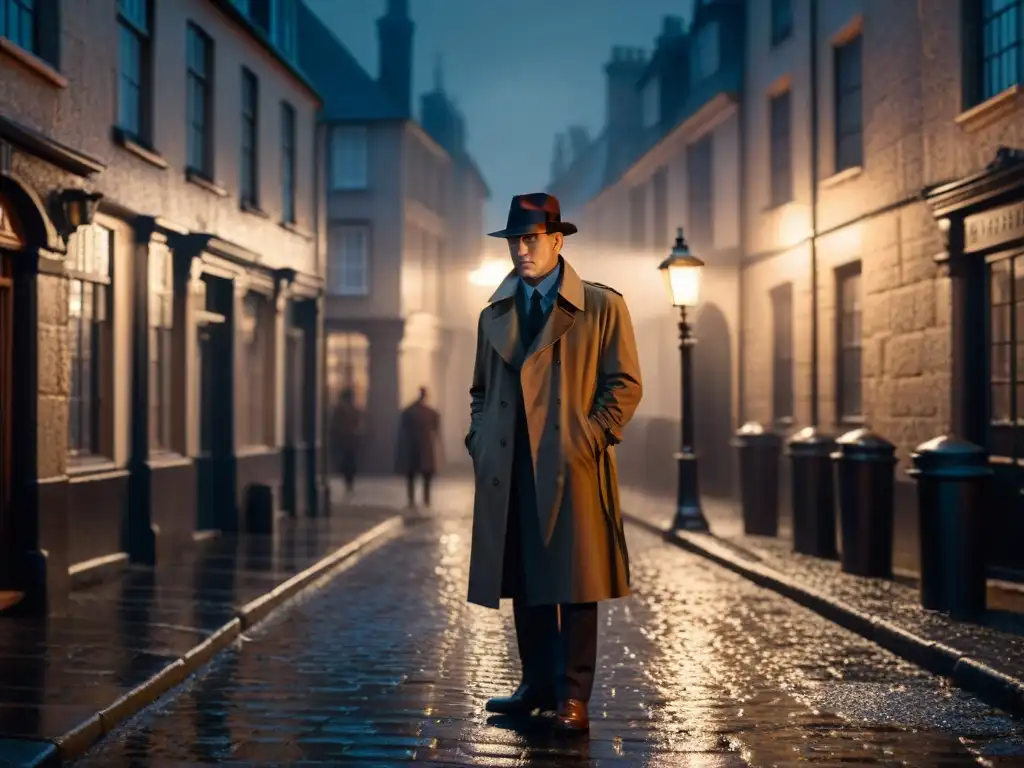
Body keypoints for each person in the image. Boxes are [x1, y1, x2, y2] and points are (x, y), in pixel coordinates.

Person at [464, 192, 642, 732]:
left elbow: (625, 385)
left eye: (531, 239)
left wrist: (589, 438)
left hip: (572, 465)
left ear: (556, 241)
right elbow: (479, 390)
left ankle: (573, 697)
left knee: (575, 581)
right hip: (510, 465)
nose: (521, 249)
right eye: (515, 240)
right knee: (524, 576)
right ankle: (536, 684)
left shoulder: (602, 306)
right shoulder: (493, 313)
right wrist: (480, 437)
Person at [396, 386, 441, 507]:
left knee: (411, 475)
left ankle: (412, 500)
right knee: (426, 476)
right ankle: (426, 500)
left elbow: (403, 430)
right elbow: (436, 430)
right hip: (426, 446)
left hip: (412, 446)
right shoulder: (431, 412)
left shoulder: (409, 411)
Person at [330, 388, 363, 494]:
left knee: (346, 462)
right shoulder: (353, 409)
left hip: (344, 440)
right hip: (350, 440)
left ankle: (348, 482)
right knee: (350, 462)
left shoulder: (339, 409)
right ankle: (349, 483)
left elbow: (334, 425)